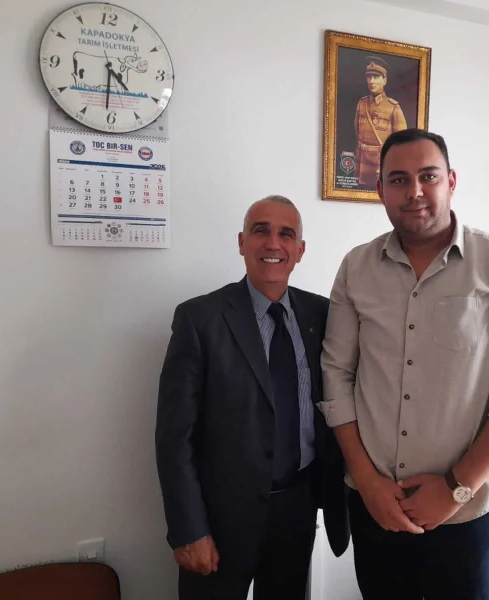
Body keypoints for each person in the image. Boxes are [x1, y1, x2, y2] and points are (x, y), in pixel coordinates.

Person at [320, 129, 489, 599]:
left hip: (467, 514)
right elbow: (336, 376)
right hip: (376, 506)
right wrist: (366, 480)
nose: (415, 192)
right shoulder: (356, 268)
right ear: (380, 189)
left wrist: (455, 488)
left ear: (451, 181)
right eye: (398, 180)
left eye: (428, 176)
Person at [156, 195, 350, 600]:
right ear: (242, 242)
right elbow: (175, 437)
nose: (273, 243)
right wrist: (189, 529)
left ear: (300, 250)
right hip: (220, 518)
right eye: (261, 231)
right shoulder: (200, 319)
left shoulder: (322, 315)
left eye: (286, 234)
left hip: (297, 509)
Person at [354, 56, 407, 187]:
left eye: (376, 77)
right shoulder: (362, 103)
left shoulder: (393, 107)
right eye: (369, 77)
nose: (371, 81)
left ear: (384, 80)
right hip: (360, 162)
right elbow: (356, 131)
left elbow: (402, 144)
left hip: (379, 164)